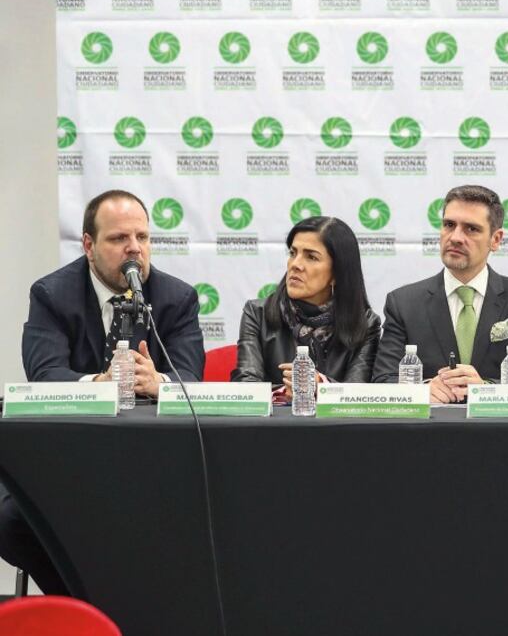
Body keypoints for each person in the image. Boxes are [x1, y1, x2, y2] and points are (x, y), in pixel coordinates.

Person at [8, 189, 205, 595]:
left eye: (143, 238)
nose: (134, 250)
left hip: (150, 460)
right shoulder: (51, 295)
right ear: (88, 245)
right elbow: (44, 375)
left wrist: (159, 382)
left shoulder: (177, 298)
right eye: (119, 239)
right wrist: (101, 384)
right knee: (10, 521)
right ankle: (83, 603)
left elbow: (191, 376)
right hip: (68, 456)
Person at [372, 185, 508, 400]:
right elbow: (383, 380)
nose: (456, 237)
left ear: (495, 240)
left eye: (471, 229)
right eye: (449, 225)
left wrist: (485, 389)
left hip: (500, 432)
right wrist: (422, 390)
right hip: (430, 430)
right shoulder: (403, 303)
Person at [232, 216, 381, 387]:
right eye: (293, 253)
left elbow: (357, 393)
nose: (295, 264)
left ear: (337, 273)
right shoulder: (257, 313)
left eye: (311, 257)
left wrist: (321, 386)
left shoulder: (366, 323)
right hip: (277, 414)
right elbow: (246, 386)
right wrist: (289, 392)